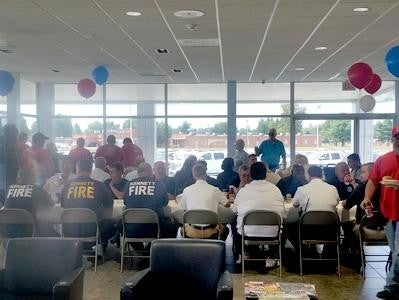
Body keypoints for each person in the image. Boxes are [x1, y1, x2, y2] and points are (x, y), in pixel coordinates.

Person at [361, 126, 399, 300]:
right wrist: (367, 198)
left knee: (398, 251)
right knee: (394, 250)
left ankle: (391, 286)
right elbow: (373, 181)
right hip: (388, 212)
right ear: (393, 139)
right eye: (397, 138)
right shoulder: (384, 160)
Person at [232, 162, 286, 260]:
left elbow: (234, 210)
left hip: (248, 233)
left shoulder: (243, 191)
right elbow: (282, 212)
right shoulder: (275, 190)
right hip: (273, 233)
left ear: (251, 175)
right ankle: (274, 254)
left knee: (234, 221)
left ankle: (241, 253)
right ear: (265, 174)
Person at [61, 159, 114, 244]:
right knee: (111, 223)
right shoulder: (99, 185)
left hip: (69, 230)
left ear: (77, 169)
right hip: (93, 230)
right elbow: (109, 205)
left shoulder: (67, 185)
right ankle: (100, 250)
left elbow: (63, 205)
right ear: (90, 170)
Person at [124, 162, 177, 238]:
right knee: (173, 225)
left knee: (120, 224)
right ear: (151, 172)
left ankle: (139, 249)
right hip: (155, 228)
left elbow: (125, 202)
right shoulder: (158, 184)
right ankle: (153, 248)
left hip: (131, 229)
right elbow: (165, 202)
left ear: (138, 173)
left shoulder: (129, 184)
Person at [180, 163, 231, 240]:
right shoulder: (214, 190)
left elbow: (183, 208)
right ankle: (217, 249)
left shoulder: (186, 190)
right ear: (205, 174)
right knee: (225, 229)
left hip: (192, 231)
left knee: (182, 229)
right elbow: (227, 205)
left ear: (194, 175)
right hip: (212, 231)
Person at [4, 168, 53, 237]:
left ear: (18, 178)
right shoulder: (35, 188)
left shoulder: (9, 188)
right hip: (29, 231)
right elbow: (51, 203)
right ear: (31, 178)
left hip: (7, 232)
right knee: (47, 225)